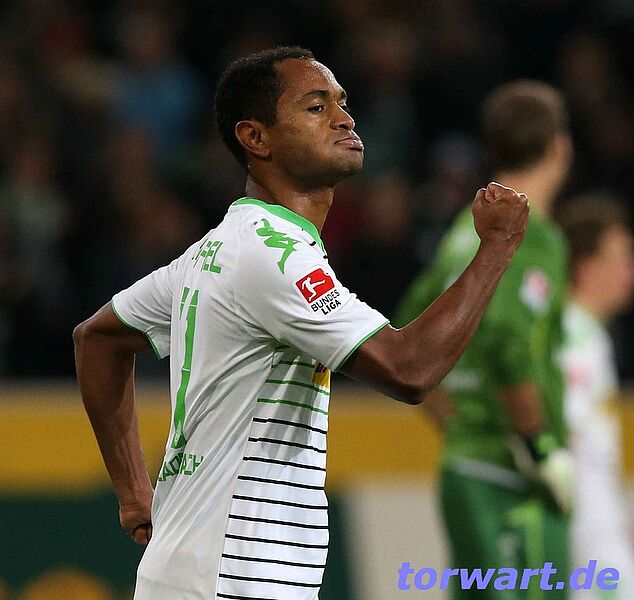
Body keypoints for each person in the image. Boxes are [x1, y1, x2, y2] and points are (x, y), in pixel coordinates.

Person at [73, 47, 529, 600]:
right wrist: (497, 247)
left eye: (342, 102)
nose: (344, 118)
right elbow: (410, 369)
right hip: (237, 575)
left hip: (202, 569)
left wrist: (134, 494)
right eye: (316, 107)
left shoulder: (216, 251)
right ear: (255, 138)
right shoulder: (273, 255)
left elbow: (97, 339)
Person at [395, 80, 573, 599]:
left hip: (466, 465)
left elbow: (406, 333)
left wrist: (457, 423)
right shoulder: (532, 234)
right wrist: (541, 449)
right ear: (560, 146)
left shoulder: (463, 232)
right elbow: (507, 341)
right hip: (514, 477)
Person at [557, 195, 634, 600]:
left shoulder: (590, 335)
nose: (629, 270)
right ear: (587, 266)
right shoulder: (573, 337)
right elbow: (567, 435)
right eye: (621, 257)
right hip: (586, 529)